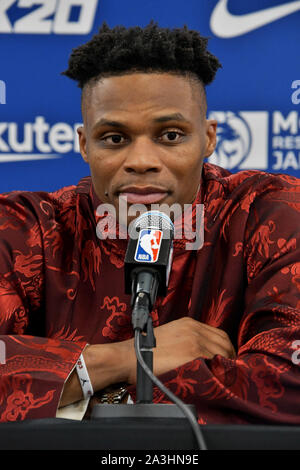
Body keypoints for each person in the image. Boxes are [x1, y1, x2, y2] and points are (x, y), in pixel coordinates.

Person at [0, 22, 299, 424]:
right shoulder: (25, 228)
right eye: (115, 138)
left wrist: (83, 400)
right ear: (85, 143)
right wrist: (121, 359)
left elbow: (287, 384)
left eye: (171, 135)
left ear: (208, 138)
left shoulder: (273, 213)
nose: (141, 160)